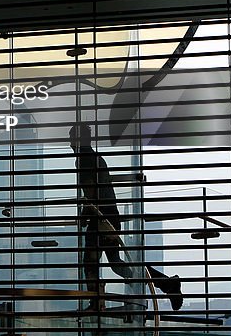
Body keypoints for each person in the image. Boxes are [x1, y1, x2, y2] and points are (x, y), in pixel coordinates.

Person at [70, 123, 182, 311]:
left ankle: (96, 301)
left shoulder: (85, 159)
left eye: (72, 137)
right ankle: (165, 283)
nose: (70, 142)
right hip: (108, 216)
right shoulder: (94, 158)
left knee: (90, 262)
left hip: (102, 219)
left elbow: (91, 191)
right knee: (115, 263)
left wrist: (85, 214)